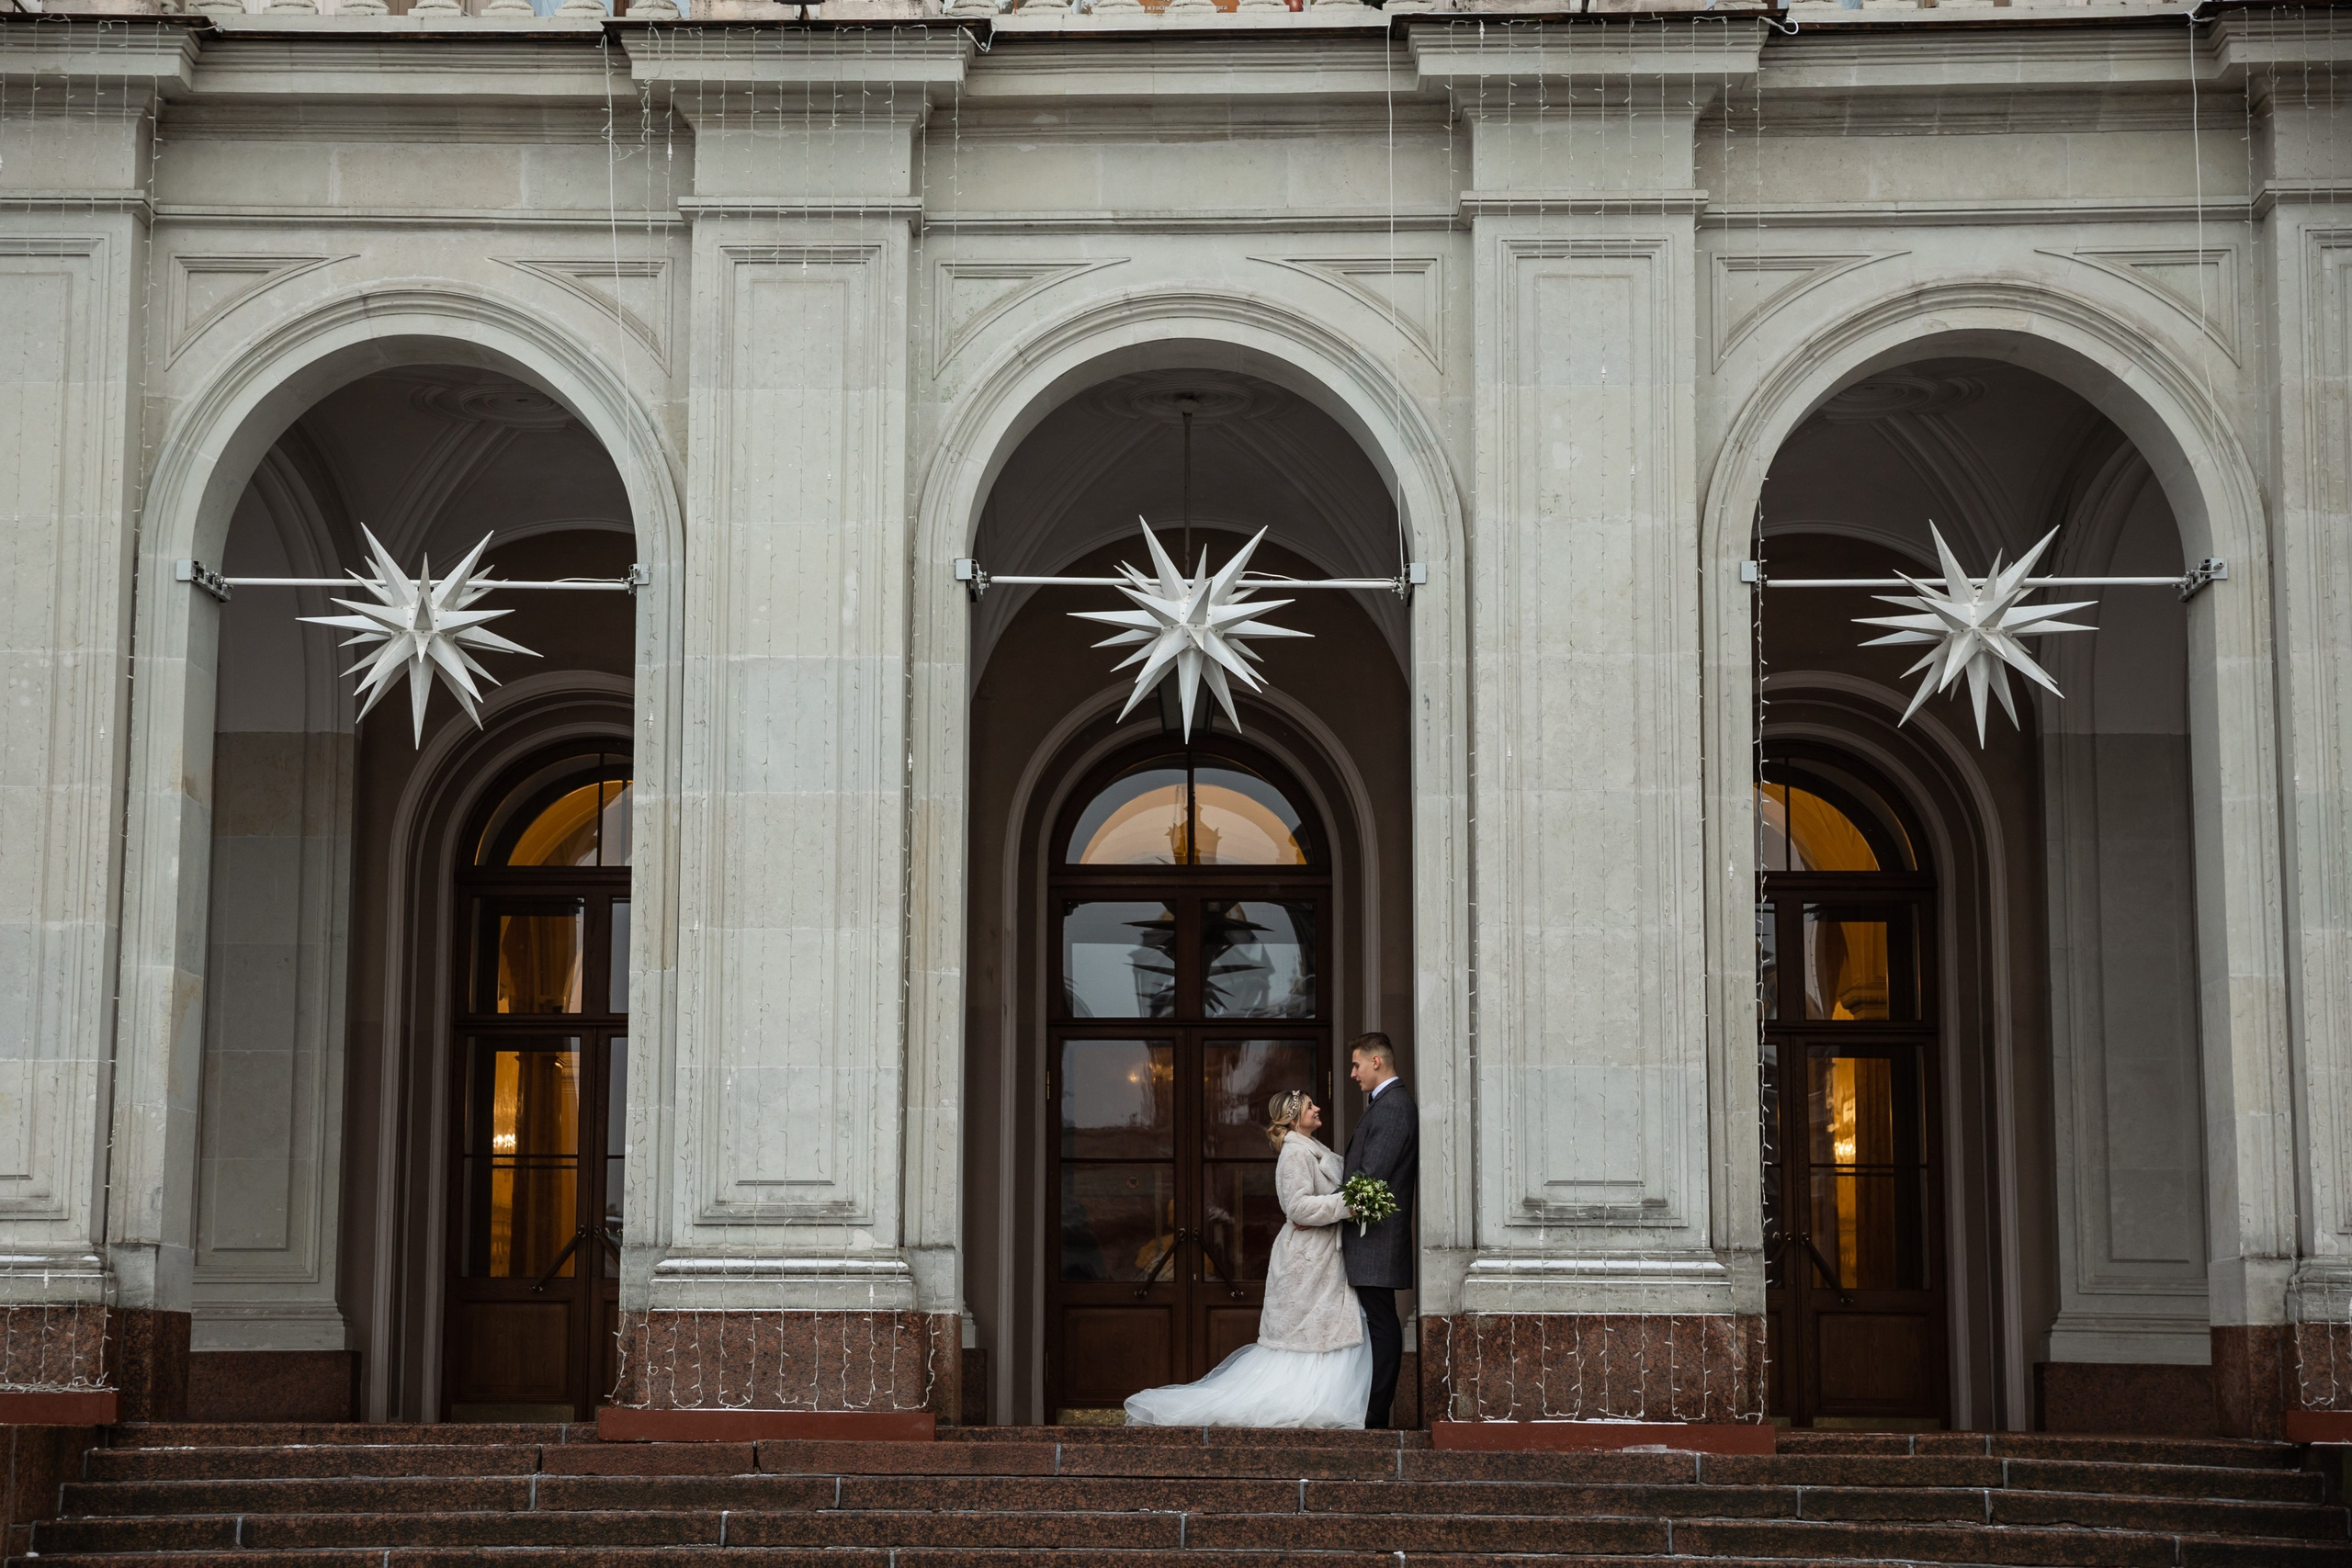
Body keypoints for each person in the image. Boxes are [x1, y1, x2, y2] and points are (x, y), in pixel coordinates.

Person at [1123, 1089, 1369, 1428]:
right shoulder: (1295, 1153)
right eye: (1310, 1106)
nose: (1317, 1109)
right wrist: (1348, 1205)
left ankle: (1315, 1400)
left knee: (1319, 1334)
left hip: (1323, 1254)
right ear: (1293, 1118)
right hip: (1308, 1259)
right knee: (1302, 1337)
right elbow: (1297, 1207)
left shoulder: (1312, 1148)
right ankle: (1299, 1403)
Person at [1340, 1032, 1417, 1428]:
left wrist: (1322, 1208)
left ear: (1376, 1061)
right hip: (1372, 1239)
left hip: (1377, 1239)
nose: (1353, 1074)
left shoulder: (1393, 1106)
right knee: (1377, 1321)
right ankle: (1370, 1408)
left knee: (1382, 1323)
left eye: (1356, 1065)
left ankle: (1375, 1413)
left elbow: (1372, 1176)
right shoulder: (1385, 1104)